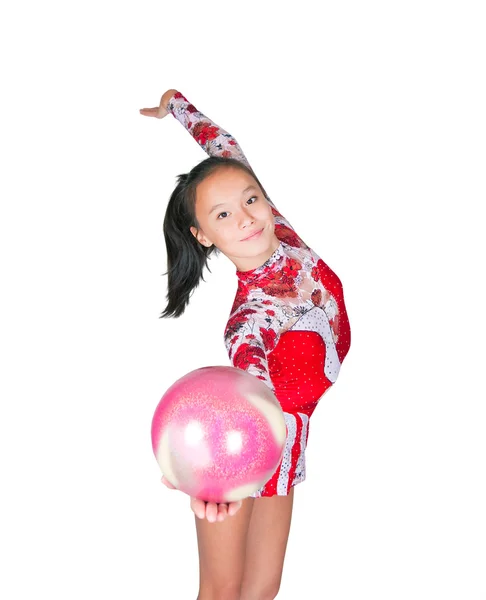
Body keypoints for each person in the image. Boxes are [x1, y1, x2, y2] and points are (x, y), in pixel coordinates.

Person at [140, 89, 351, 600]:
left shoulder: (283, 233)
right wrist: (210, 480)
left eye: (250, 200)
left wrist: (176, 104)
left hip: (288, 444)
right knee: (220, 591)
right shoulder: (249, 322)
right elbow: (251, 391)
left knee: (261, 590)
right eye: (223, 216)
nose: (247, 217)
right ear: (204, 235)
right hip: (240, 447)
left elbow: (223, 145)